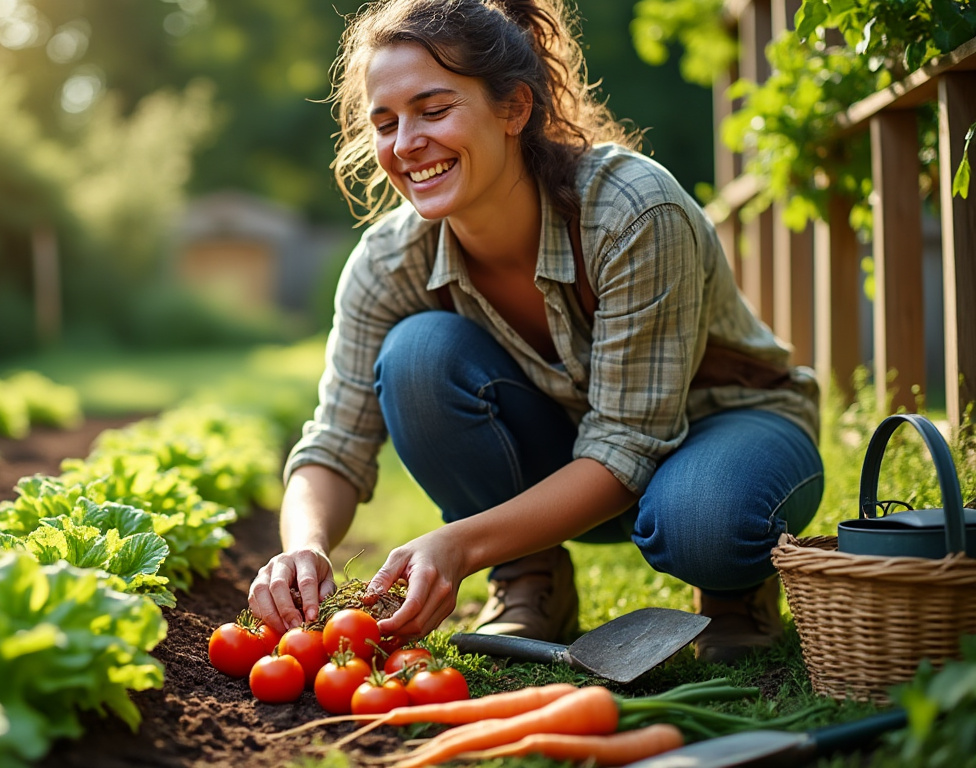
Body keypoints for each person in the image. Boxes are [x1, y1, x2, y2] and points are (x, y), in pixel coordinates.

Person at [247, 0, 823, 664]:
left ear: (514, 109)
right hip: (578, 461)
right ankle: (531, 579)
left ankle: (734, 587)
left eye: (433, 111)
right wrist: (304, 547)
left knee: (703, 519)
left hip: (729, 427)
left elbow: (626, 446)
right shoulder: (388, 262)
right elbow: (335, 443)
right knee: (417, 355)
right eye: (385, 122)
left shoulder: (633, 211)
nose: (405, 144)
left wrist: (459, 543)